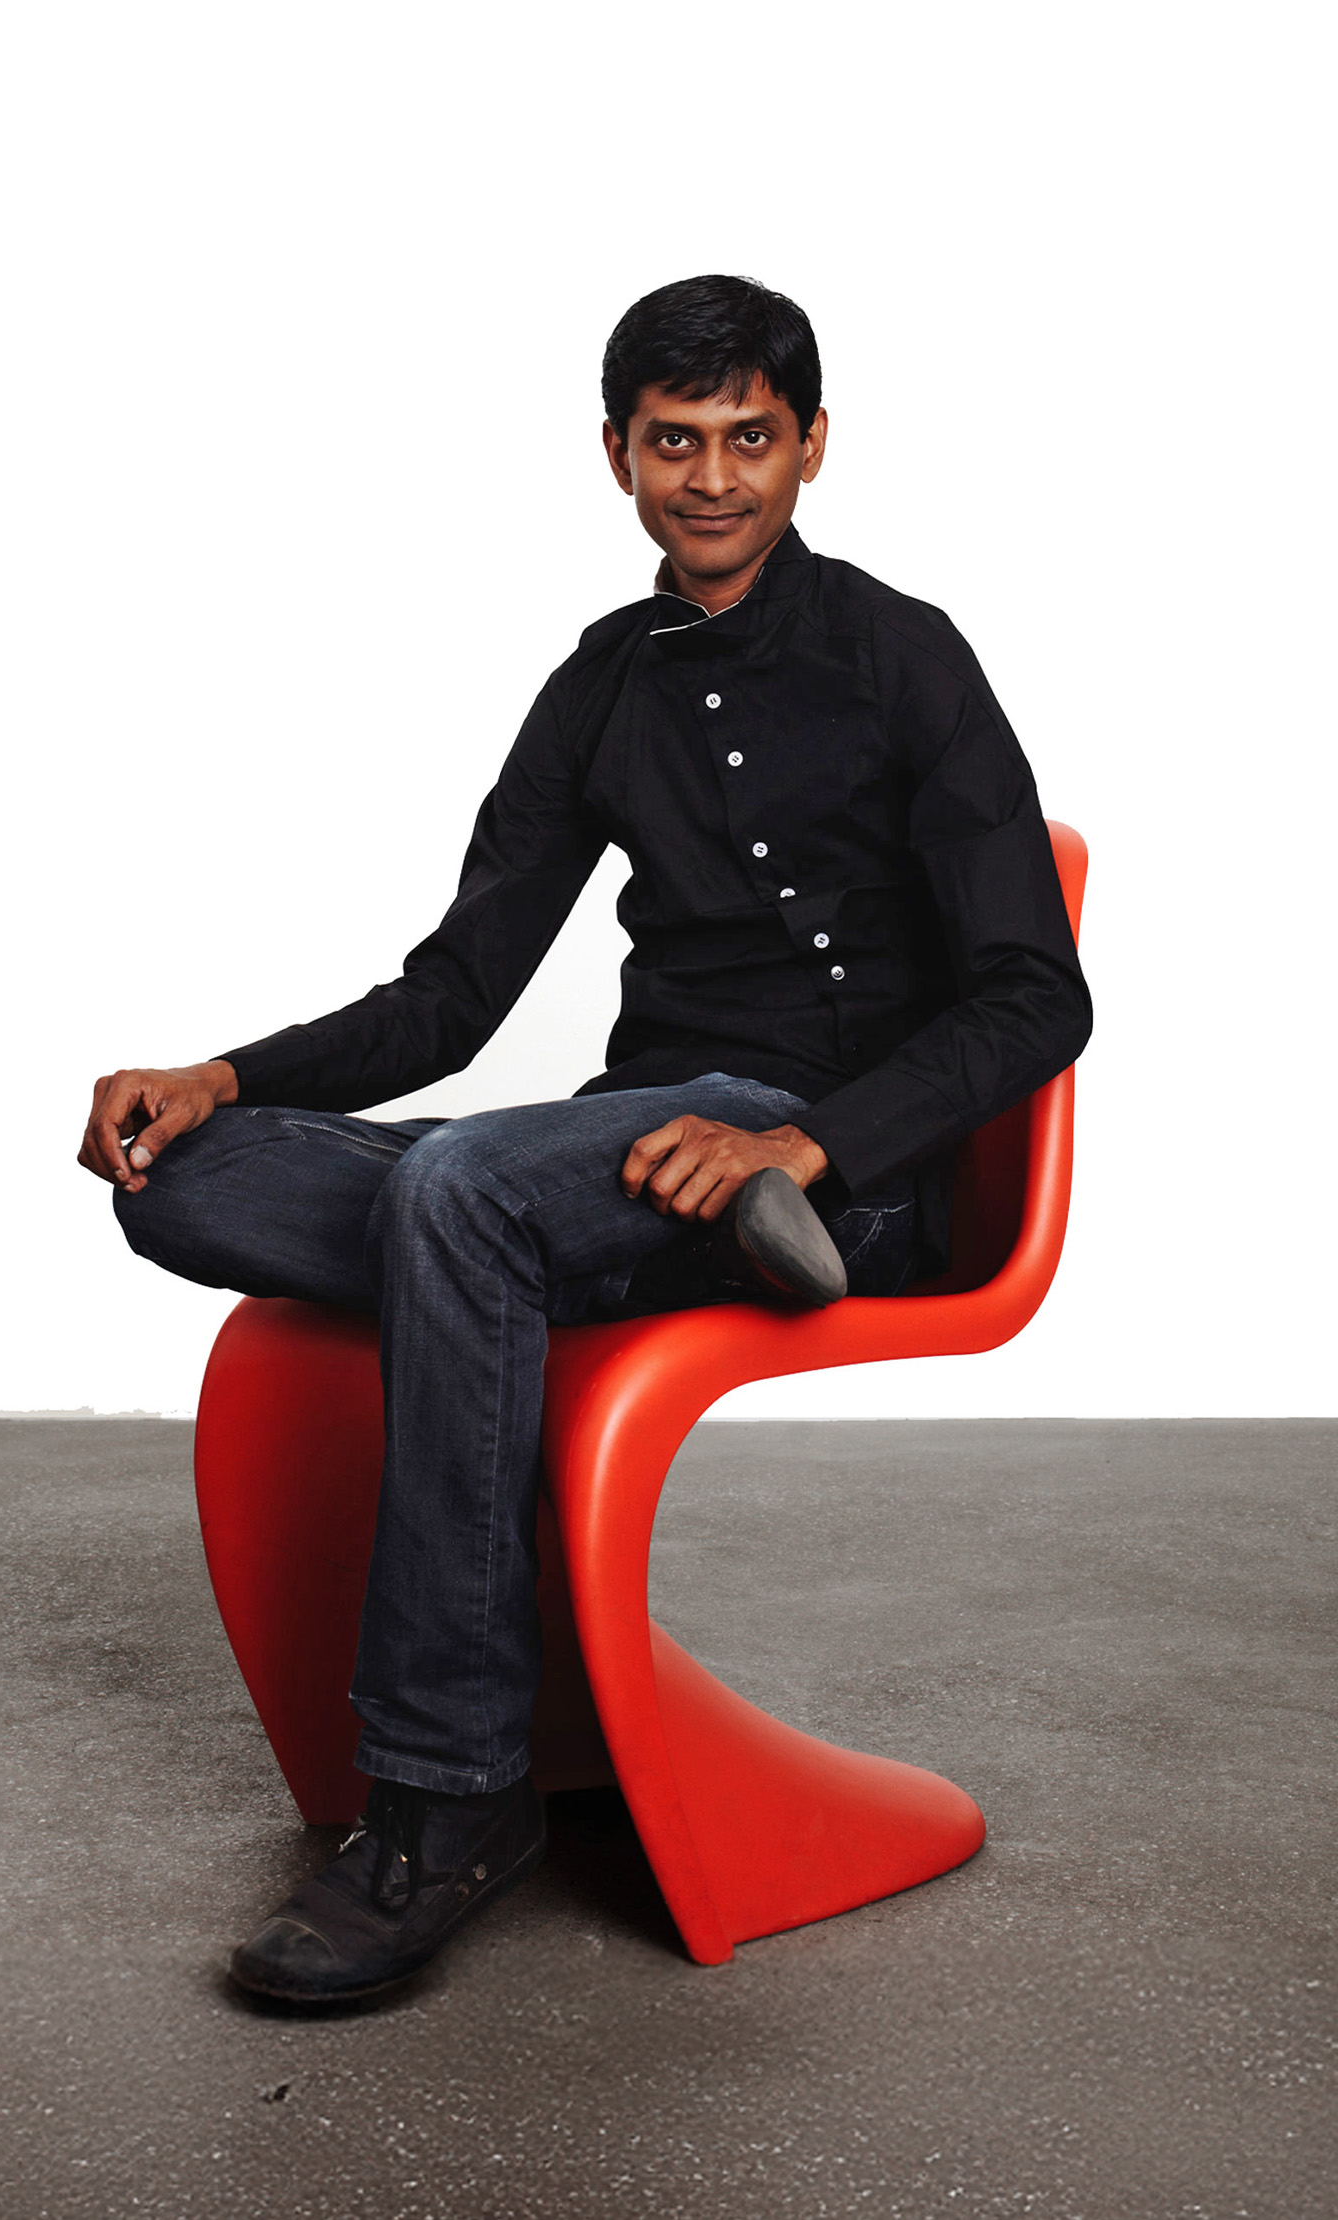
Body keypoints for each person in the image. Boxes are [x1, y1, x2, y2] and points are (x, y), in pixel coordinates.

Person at [78, 275, 1091, 2004]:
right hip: (632, 1157)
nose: (714, 478)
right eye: (675, 442)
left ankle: (447, 1798)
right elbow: (454, 992)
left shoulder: (904, 654)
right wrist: (225, 1078)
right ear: (616, 456)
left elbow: (1033, 997)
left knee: (466, 1189)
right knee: (190, 1184)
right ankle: (492, 1249)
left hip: (827, 1172)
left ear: (814, 447)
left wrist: (807, 1156)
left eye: (750, 439)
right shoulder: (600, 684)